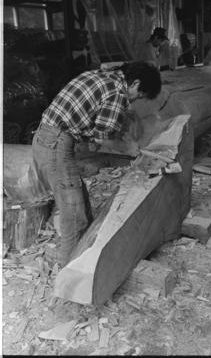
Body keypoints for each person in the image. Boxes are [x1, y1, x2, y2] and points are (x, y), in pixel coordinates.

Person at [32, 61, 161, 267]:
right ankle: (71, 279)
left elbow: (95, 135)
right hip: (55, 144)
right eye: (140, 94)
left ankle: (88, 258)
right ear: (135, 83)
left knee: (81, 205)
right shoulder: (117, 93)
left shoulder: (102, 75)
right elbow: (103, 141)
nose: (136, 100)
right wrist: (131, 150)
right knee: (74, 215)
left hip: (48, 138)